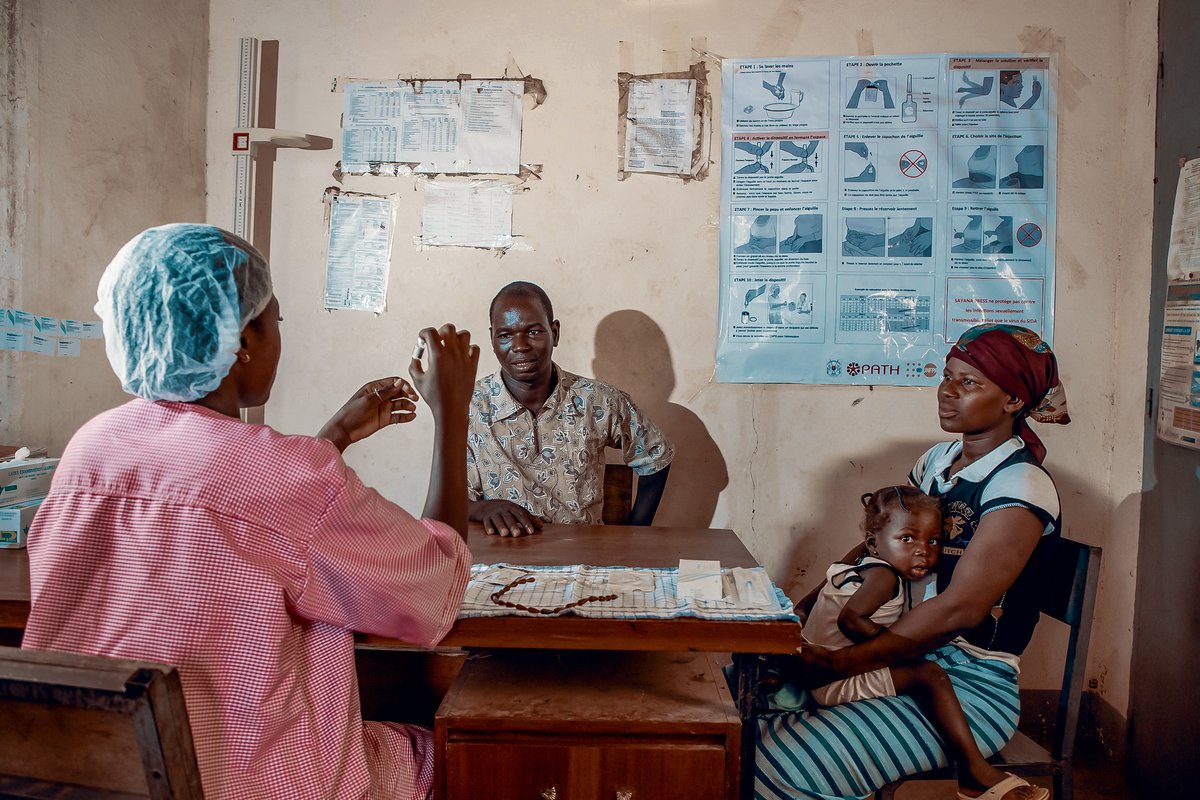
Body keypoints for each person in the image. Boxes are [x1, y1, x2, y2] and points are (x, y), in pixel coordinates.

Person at [21, 224, 481, 800]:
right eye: (275, 322)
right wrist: (453, 412)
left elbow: (233, 507)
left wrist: (333, 437)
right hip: (249, 780)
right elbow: (434, 586)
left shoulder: (91, 446)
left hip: (100, 771)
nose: (279, 339)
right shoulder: (286, 476)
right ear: (241, 341)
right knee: (448, 753)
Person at [756, 323, 1070, 800]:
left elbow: (961, 609)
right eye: (948, 376)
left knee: (781, 765)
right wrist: (801, 611)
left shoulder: (1020, 484)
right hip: (903, 654)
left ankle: (973, 774)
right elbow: (878, 545)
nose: (946, 392)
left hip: (968, 685)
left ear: (1012, 401)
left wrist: (841, 663)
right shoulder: (937, 463)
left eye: (969, 383)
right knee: (745, 715)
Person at [797, 486, 1048, 800]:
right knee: (929, 675)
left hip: (828, 672)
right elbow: (852, 620)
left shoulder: (859, 563)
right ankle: (975, 770)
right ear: (874, 544)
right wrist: (898, 651)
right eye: (907, 539)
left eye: (932, 541)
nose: (923, 551)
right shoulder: (884, 578)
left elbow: (815, 600)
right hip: (835, 679)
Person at [468, 281, 674, 536]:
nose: (520, 346)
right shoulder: (470, 406)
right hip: (502, 560)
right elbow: (448, 503)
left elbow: (656, 457)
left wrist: (635, 536)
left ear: (554, 333)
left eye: (533, 332)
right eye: (505, 335)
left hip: (583, 557)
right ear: (492, 338)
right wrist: (482, 509)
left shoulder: (598, 400)